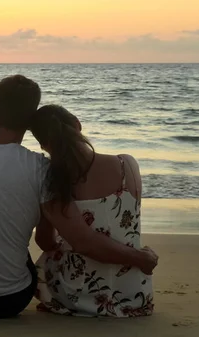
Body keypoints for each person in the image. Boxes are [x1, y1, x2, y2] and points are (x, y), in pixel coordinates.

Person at [0, 75, 158, 319]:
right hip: (10, 300)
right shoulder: (41, 169)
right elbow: (81, 240)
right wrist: (140, 258)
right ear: (29, 122)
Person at [30, 104, 154, 317]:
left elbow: (45, 241)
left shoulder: (52, 180)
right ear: (78, 124)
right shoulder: (127, 165)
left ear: (43, 145)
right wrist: (140, 259)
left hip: (81, 296)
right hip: (134, 294)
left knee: (49, 256)